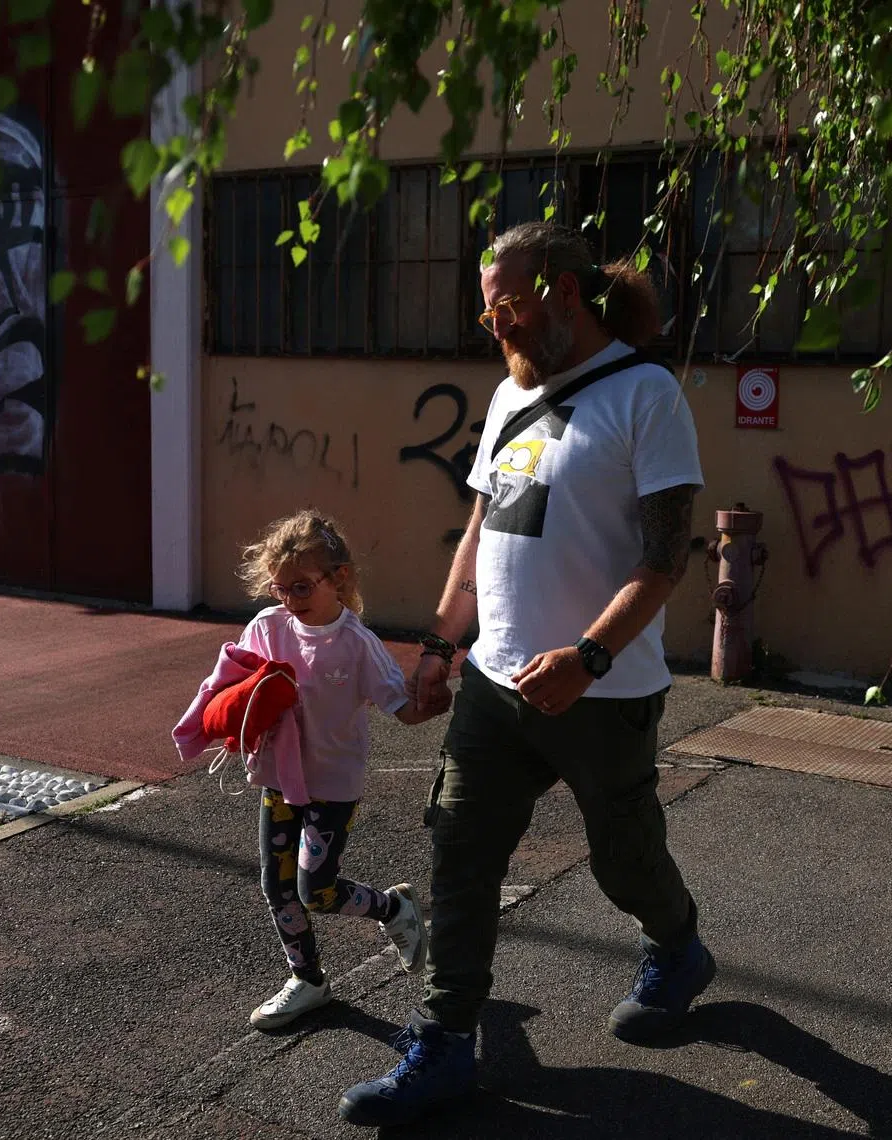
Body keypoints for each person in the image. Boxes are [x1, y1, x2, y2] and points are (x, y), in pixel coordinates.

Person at [338, 222, 713, 1127]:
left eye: (505, 303)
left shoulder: (646, 393)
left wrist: (589, 656)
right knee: (458, 854)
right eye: (487, 306)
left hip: (601, 692)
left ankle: (677, 943)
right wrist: (439, 647)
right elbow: (480, 532)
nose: (492, 322)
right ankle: (443, 1043)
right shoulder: (510, 399)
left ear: (564, 295)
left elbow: (667, 558)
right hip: (494, 687)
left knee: (625, 858)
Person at [173, 509, 444, 1031]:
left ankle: (392, 908)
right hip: (278, 778)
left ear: (339, 579)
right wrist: (210, 722)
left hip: (332, 785)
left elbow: (402, 708)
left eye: (301, 587)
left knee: (315, 889)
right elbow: (226, 682)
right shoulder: (268, 626)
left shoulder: (358, 645)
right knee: (277, 886)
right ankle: (308, 980)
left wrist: (431, 702)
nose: (289, 601)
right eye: (279, 589)